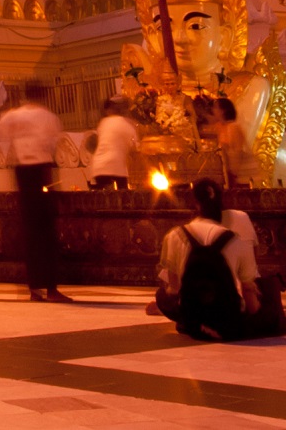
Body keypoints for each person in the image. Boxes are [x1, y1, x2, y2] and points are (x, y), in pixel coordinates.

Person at [155, 178, 261, 340]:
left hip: (191, 316)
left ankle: (195, 324)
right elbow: (250, 299)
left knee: (160, 295)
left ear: (195, 204)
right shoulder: (236, 240)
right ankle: (216, 326)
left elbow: (174, 290)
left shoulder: (174, 236)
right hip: (227, 318)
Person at [0, 80, 69, 302]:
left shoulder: (12, 116)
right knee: (47, 231)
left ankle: (34, 289)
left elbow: (1, 137)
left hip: (21, 173)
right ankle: (51, 288)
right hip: (41, 172)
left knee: (30, 231)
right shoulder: (47, 116)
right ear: (43, 95)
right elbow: (54, 143)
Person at [87, 98, 139, 191]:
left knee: (104, 197)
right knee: (123, 195)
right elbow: (134, 144)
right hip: (117, 164)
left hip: (99, 166)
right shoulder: (126, 123)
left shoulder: (103, 123)